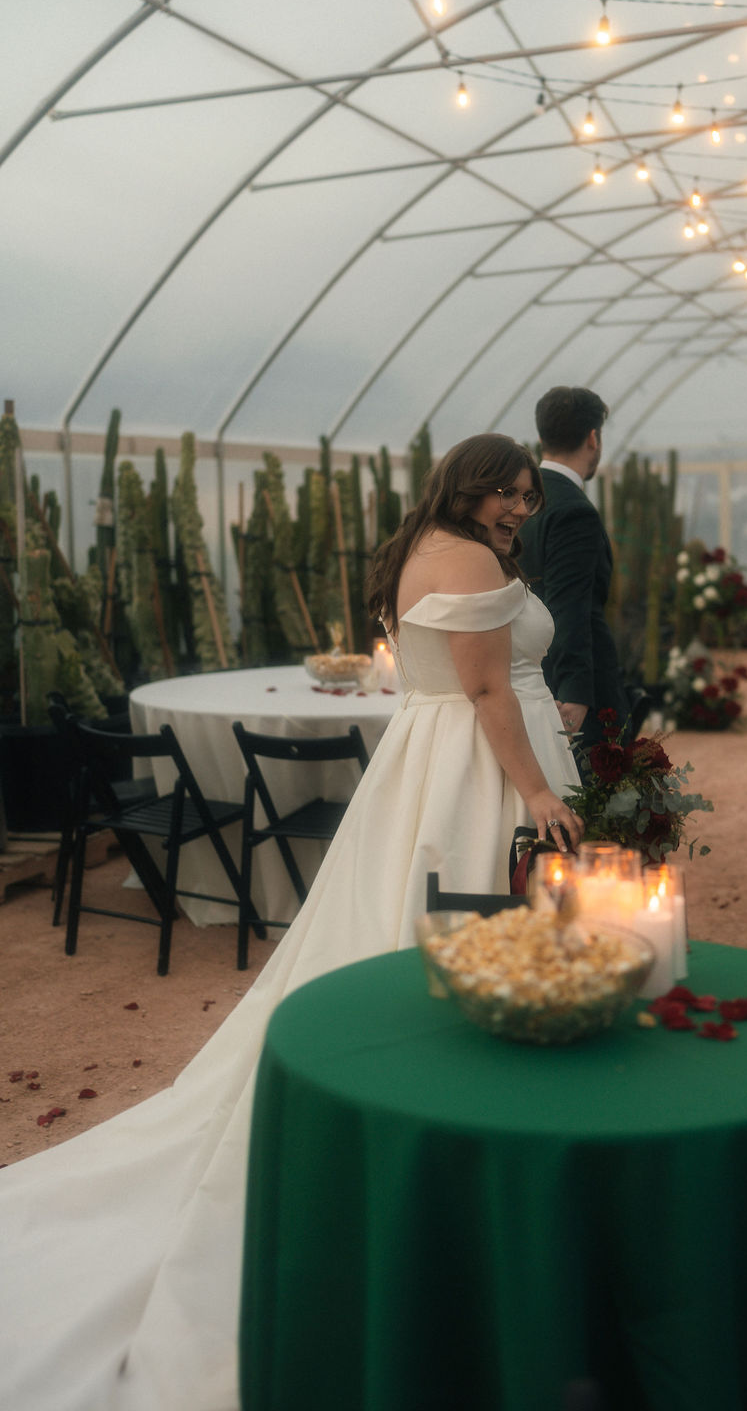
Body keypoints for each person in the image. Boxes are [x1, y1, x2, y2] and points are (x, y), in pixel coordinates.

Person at [0, 433, 581, 1411]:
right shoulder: (473, 558)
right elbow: (485, 689)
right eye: (509, 495)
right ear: (472, 486)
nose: (521, 510)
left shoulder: (415, 547)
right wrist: (535, 792)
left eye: (528, 496)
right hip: (480, 769)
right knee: (481, 925)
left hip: (425, 760)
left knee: (410, 922)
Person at [518, 386, 631, 752]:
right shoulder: (573, 510)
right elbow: (570, 606)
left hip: (524, 672)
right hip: (570, 690)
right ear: (593, 438)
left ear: (541, 437)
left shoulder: (518, 501)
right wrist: (577, 693)